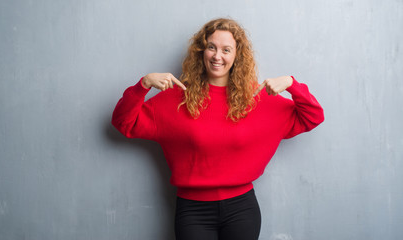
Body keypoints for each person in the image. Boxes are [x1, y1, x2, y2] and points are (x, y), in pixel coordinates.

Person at [111, 18, 324, 240]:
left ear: (237, 55)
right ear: (201, 51)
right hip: (193, 211)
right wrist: (143, 84)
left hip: (242, 210)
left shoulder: (256, 97)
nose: (217, 56)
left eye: (226, 49)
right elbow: (123, 122)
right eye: (211, 47)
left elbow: (313, 116)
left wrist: (291, 84)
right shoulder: (176, 98)